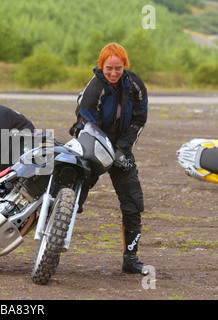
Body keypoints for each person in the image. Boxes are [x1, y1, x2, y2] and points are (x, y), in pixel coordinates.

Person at [69, 43, 149, 275]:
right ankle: (51, 245)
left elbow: (139, 118)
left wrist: (123, 149)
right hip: (94, 141)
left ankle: (131, 259)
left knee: (133, 202)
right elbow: (86, 122)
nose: (114, 73)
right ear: (100, 66)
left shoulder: (134, 84)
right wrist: (98, 149)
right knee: (71, 197)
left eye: (118, 68)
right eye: (109, 68)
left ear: (125, 65)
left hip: (121, 144)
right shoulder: (95, 88)